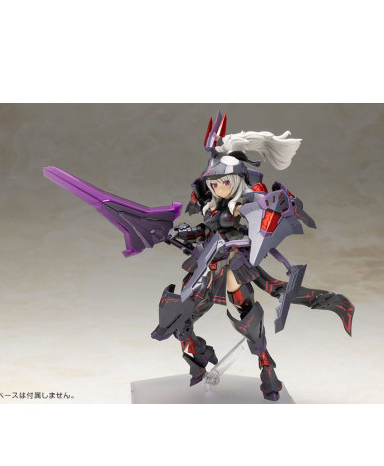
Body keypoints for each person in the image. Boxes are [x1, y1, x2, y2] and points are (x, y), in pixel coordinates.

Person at [151, 112, 355, 401]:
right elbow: (207, 231)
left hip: (233, 265)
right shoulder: (213, 204)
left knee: (248, 319)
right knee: (179, 316)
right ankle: (198, 354)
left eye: (221, 182)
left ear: (235, 180)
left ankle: (267, 370)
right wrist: (184, 232)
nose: (215, 188)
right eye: (212, 183)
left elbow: (256, 227)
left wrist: (239, 239)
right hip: (207, 264)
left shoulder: (247, 201)